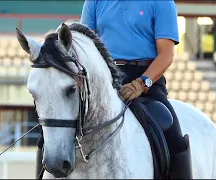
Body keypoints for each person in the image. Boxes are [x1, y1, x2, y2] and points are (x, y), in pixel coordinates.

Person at [80, 0, 192, 179]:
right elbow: (84, 45)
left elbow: (166, 54)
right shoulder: (94, 1)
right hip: (103, 77)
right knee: (48, 136)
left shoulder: (162, 3)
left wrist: (141, 84)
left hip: (147, 79)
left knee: (174, 138)